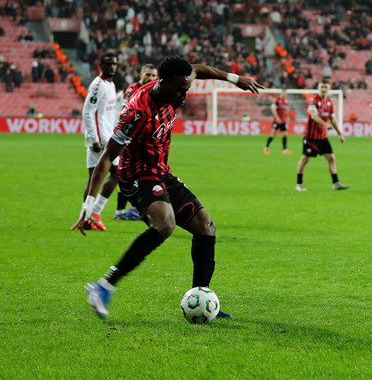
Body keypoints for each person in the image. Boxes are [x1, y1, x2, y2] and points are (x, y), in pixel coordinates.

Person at [72, 55, 263, 319]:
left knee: (205, 226)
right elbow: (107, 157)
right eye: (181, 90)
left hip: (161, 171)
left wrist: (234, 79)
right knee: (165, 225)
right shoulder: (136, 112)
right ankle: (103, 286)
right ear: (163, 83)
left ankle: (201, 297)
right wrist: (89, 206)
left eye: (187, 89)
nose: (185, 96)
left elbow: (198, 69)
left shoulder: (178, 82)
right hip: (136, 174)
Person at [80, 51, 120, 231]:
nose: (111, 67)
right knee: (117, 174)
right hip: (101, 140)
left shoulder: (110, 85)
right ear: (100, 66)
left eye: (114, 64)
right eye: (108, 64)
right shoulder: (98, 85)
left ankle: (87, 217)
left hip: (106, 136)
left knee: (93, 178)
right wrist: (96, 139)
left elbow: (107, 114)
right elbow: (88, 112)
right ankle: (94, 213)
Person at [114, 63, 158, 221]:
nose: (150, 78)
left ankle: (129, 210)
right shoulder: (133, 89)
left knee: (138, 175)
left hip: (142, 139)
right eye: (148, 74)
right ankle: (123, 211)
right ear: (141, 75)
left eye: (153, 75)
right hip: (130, 138)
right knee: (130, 175)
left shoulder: (152, 91)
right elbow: (124, 112)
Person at [296, 79, 349, 191]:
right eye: (322, 87)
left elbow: (333, 119)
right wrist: (325, 124)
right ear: (318, 88)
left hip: (322, 136)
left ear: (329, 88)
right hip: (311, 136)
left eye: (325, 87)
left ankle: (336, 183)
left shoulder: (329, 103)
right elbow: (313, 116)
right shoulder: (313, 101)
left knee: (331, 158)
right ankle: (299, 184)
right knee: (305, 159)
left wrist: (340, 134)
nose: (323, 89)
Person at [264, 89, 292, 155]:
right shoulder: (277, 100)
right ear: (281, 93)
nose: (284, 94)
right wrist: (277, 118)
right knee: (273, 134)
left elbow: (287, 110)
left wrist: (287, 119)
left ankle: (284, 150)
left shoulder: (287, 101)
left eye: (285, 93)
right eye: (283, 93)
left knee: (285, 134)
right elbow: (273, 109)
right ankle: (266, 147)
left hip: (283, 121)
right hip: (277, 121)